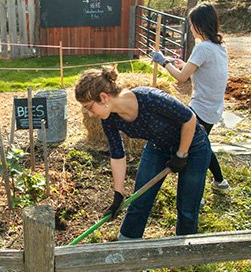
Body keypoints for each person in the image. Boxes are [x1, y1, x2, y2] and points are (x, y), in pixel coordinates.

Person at [75, 66, 211, 240]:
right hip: (158, 147)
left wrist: (181, 154)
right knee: (140, 199)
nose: (90, 114)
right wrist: (118, 194)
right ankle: (127, 243)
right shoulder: (109, 118)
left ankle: (184, 248)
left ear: (103, 97)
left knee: (187, 205)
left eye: (89, 107)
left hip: (193, 146)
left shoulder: (150, 99)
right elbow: (117, 154)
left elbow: (189, 118)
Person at [152, 2, 229, 192]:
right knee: (203, 144)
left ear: (199, 25)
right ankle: (220, 182)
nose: (191, 28)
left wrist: (163, 61)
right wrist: (184, 63)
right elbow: (202, 70)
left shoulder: (202, 48)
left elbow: (181, 77)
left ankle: (196, 193)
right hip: (214, 107)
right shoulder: (219, 47)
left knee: (193, 150)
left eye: (192, 24)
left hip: (201, 108)